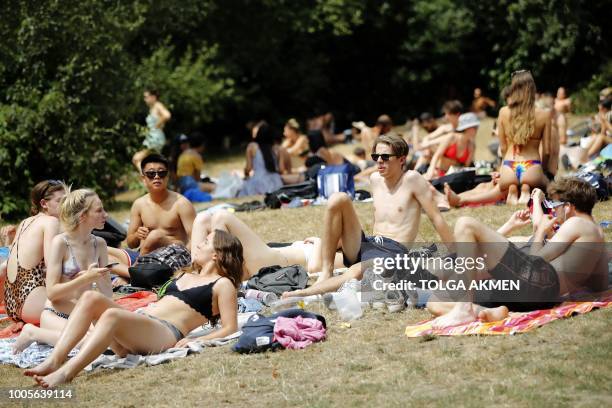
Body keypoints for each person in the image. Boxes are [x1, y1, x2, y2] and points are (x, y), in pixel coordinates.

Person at [24, 229, 243, 388]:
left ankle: (66, 373)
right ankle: (55, 360)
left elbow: (230, 327)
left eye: (205, 242)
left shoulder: (223, 284)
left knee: (111, 315)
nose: (198, 245)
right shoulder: (186, 274)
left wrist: (198, 340)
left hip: (164, 333)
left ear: (217, 254)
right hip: (139, 327)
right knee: (91, 297)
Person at [282, 134, 454, 301]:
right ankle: (327, 271)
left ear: (401, 159)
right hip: (369, 243)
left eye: (385, 157)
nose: (379, 160)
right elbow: (378, 217)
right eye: (376, 156)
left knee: (357, 270)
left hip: (393, 251)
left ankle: (306, 293)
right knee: (338, 198)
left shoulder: (412, 180)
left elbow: (436, 218)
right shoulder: (375, 179)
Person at [428, 177, 607, 328]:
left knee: (465, 224)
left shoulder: (576, 224)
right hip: (538, 296)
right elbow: (599, 285)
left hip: (539, 283)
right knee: (435, 301)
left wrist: (540, 232)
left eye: (556, 204)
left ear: (568, 207)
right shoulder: (598, 236)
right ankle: (491, 312)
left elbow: (536, 259)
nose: (553, 210)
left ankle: (465, 309)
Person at [13, 189, 113, 353]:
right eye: (99, 210)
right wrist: (84, 279)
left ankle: (50, 335)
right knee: (93, 343)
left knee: (111, 339)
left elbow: (107, 294)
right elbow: (52, 293)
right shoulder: (60, 243)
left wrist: (101, 279)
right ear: (82, 216)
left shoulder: (99, 244)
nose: (106, 214)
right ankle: (33, 332)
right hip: (56, 314)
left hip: (85, 314)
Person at [191, 210, 344, 279]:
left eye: (340, 234)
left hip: (269, 263)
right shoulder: (325, 246)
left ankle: (212, 273)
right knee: (202, 218)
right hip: (265, 257)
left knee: (222, 216)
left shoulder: (339, 256)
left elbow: (316, 268)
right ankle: (195, 272)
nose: (333, 234)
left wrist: (318, 243)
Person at [1, 181, 67, 325]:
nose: (65, 205)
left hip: (11, 305)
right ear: (44, 203)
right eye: (60, 201)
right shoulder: (51, 222)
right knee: (87, 303)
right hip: (32, 302)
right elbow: (53, 267)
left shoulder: (25, 222)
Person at [498, 70, 551, 205]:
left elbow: (503, 147)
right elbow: (547, 151)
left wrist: (503, 167)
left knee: (509, 183)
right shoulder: (544, 114)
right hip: (532, 167)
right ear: (532, 88)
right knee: (548, 184)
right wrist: (542, 171)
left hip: (509, 166)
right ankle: (527, 188)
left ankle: (512, 188)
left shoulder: (503, 112)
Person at [126, 153, 196, 255]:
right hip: (146, 254)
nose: (157, 177)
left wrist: (185, 259)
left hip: (173, 255)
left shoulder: (181, 203)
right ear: (143, 179)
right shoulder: (139, 204)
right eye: (151, 174)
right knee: (108, 252)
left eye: (161, 173)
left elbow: (195, 238)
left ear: (167, 177)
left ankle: (137, 268)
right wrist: (137, 235)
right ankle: (138, 267)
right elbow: (130, 243)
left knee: (155, 236)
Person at [424, 112, 480, 180]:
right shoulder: (451, 137)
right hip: (438, 172)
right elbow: (436, 156)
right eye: (475, 127)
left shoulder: (472, 146)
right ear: (466, 128)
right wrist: (431, 170)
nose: (477, 129)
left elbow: (465, 167)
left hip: (454, 177)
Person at [412, 100, 463, 172]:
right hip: (443, 158)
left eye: (448, 114)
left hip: (454, 161)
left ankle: (416, 174)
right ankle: (415, 173)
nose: (446, 117)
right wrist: (427, 147)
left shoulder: (464, 130)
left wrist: (428, 145)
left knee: (426, 152)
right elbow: (427, 138)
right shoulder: (445, 128)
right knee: (425, 154)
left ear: (457, 114)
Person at [239, 122, 287, 196]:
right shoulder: (277, 148)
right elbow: (282, 169)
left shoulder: (252, 146)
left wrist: (246, 174)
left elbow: (248, 168)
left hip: (258, 182)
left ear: (258, 134)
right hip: (276, 183)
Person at [132, 89, 172, 171]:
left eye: (146, 97)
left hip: (155, 138)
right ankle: (152, 179)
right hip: (153, 138)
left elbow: (167, 115)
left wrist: (157, 125)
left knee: (137, 159)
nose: (144, 99)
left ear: (153, 97)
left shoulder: (158, 105)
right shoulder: (152, 108)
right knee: (152, 164)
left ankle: (147, 178)